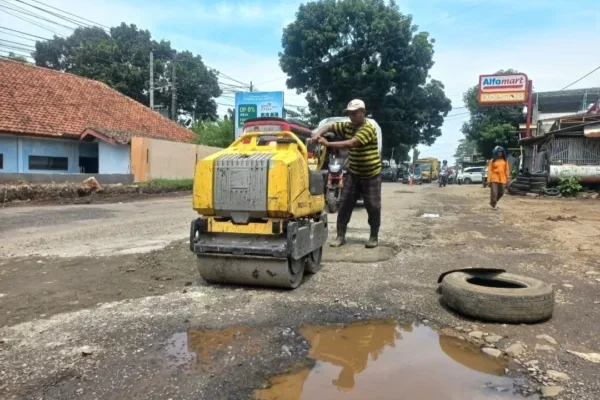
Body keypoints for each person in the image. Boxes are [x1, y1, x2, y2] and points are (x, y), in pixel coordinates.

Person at [311, 99, 382, 248]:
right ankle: (340, 236)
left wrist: (328, 143)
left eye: (355, 113)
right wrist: (318, 134)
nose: (351, 116)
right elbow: (330, 126)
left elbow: (351, 143)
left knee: (373, 206)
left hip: (371, 175)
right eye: (349, 114)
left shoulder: (368, 128)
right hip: (353, 172)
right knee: (344, 205)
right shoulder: (348, 126)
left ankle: (374, 236)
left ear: (363, 112)